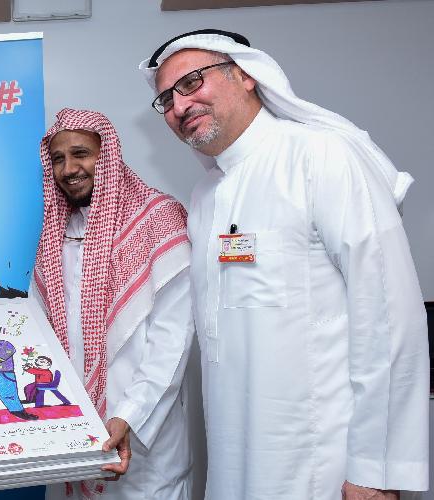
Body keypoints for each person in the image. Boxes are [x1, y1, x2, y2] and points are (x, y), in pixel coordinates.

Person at [139, 29, 429, 499]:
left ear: (246, 75)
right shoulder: (205, 195)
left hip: (322, 464)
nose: (180, 105)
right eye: (167, 99)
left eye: (191, 82)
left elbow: (390, 318)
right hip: (237, 464)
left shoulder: (319, 156)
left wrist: (376, 471)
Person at [32, 108, 195, 499]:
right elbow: (37, 331)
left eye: (81, 154)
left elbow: (172, 341)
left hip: (143, 437)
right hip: (74, 432)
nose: (68, 168)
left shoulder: (158, 220)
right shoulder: (57, 233)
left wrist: (128, 415)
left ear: (106, 156)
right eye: (58, 159)